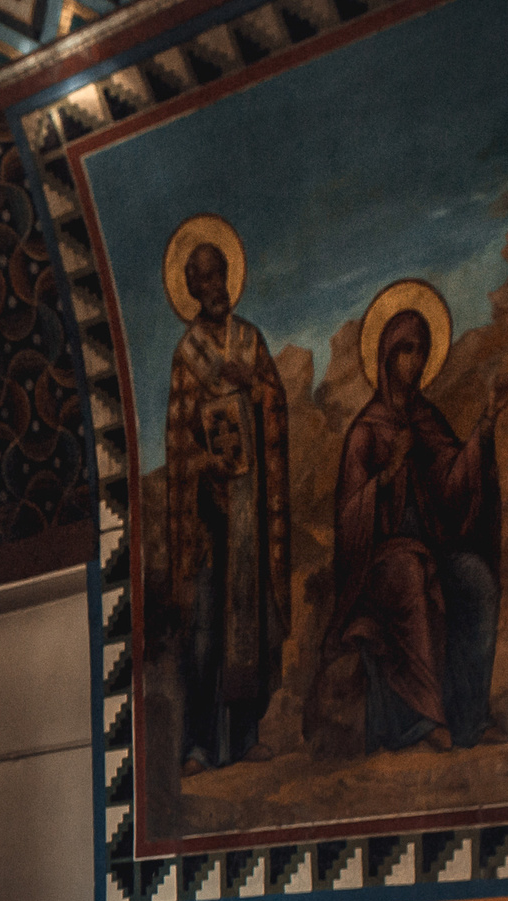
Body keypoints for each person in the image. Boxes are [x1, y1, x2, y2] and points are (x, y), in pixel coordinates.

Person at [324, 308, 506, 753]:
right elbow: (348, 518)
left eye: (421, 351)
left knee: (476, 580)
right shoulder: (365, 431)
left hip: (433, 548)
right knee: (409, 573)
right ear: (386, 357)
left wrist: (484, 426)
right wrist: (388, 474)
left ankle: (470, 717)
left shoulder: (426, 419)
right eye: (405, 350)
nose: (415, 361)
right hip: (380, 558)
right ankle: (422, 721)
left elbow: (453, 481)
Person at [162, 241, 289, 774]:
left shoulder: (250, 341)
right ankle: (198, 744)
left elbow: (275, 404)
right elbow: (177, 442)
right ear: (192, 288)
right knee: (205, 631)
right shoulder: (187, 354)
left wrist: (254, 387)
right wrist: (205, 463)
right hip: (209, 513)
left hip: (250, 505)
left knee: (248, 621)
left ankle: (243, 736)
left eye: (220, 276)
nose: (216, 287)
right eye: (205, 279)